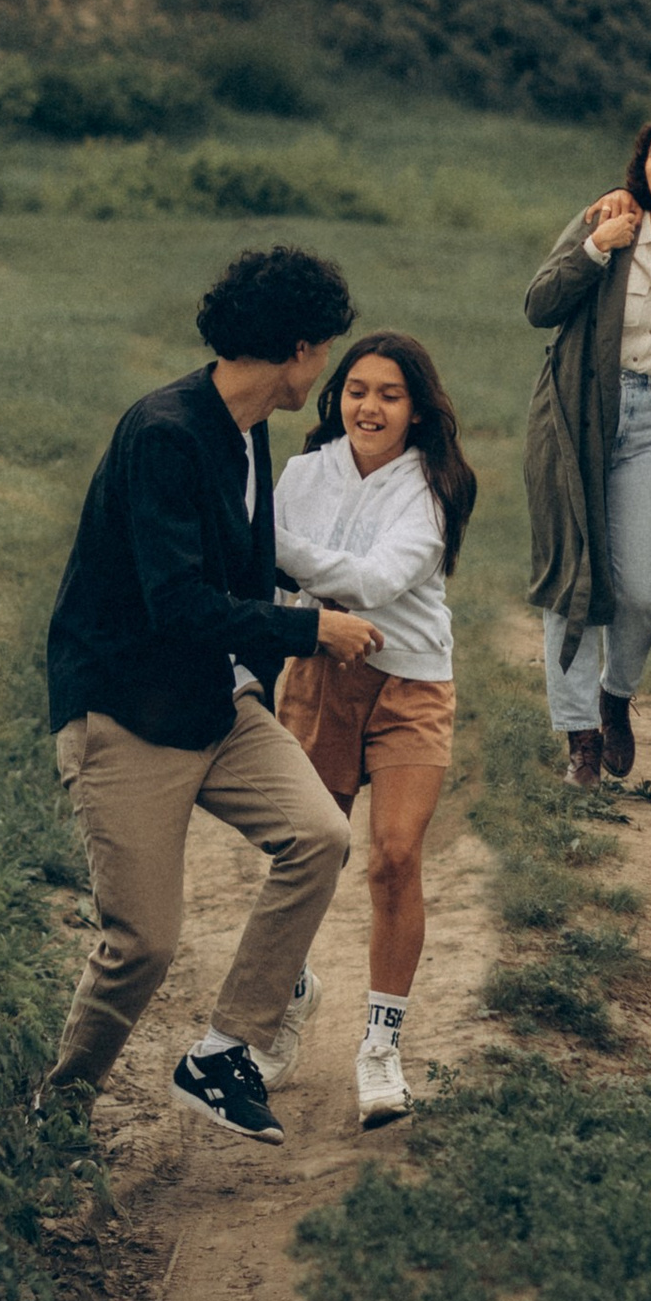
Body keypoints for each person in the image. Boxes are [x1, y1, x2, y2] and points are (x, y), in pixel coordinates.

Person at [40, 242, 380, 1146]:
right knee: (142, 943)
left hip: (214, 704)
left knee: (319, 836)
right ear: (300, 350)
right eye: (327, 351)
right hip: (127, 710)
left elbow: (229, 569)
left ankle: (223, 1051)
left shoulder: (242, 427)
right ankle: (57, 1113)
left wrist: (307, 602)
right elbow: (179, 604)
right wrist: (310, 632)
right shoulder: (165, 434)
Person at [268, 331, 478, 1127]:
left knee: (394, 857)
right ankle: (290, 995)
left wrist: (274, 552)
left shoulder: (430, 488)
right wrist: (282, 568)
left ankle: (380, 1045)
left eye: (390, 394)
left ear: (417, 412)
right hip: (319, 676)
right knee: (300, 855)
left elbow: (380, 581)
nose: (370, 406)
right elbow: (271, 583)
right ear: (337, 398)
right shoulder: (301, 475)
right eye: (358, 389)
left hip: (411, 681)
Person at [524, 113, 651, 788]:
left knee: (644, 588)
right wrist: (596, 246)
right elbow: (539, 304)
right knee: (573, 576)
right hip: (580, 412)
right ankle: (580, 739)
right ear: (642, 165)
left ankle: (615, 697)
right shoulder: (607, 218)